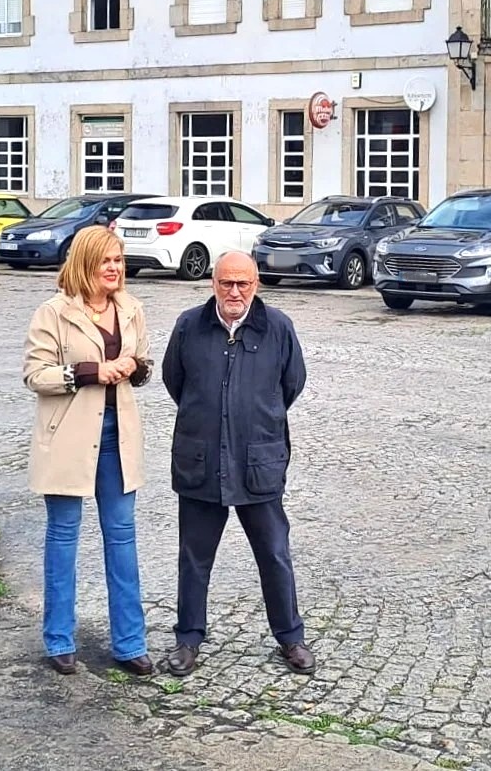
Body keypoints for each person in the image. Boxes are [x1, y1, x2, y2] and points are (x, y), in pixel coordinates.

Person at [160, 251, 314, 678]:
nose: (234, 292)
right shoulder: (189, 325)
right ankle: (188, 638)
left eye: (242, 284)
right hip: (201, 460)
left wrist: (255, 418)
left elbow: (292, 383)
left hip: (257, 461)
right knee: (194, 557)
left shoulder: (278, 327)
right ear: (213, 284)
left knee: (274, 553)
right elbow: (175, 380)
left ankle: (290, 637)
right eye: (226, 283)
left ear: (255, 285)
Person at [22, 225, 156, 677]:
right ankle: (59, 639)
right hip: (69, 436)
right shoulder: (53, 312)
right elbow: (35, 375)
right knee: (64, 536)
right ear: (85, 263)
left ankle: (130, 642)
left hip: (119, 436)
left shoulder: (132, 308)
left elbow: (143, 364)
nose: (114, 269)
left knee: (122, 537)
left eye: (118, 260)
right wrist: (90, 371)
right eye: (106, 261)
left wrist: (134, 366)